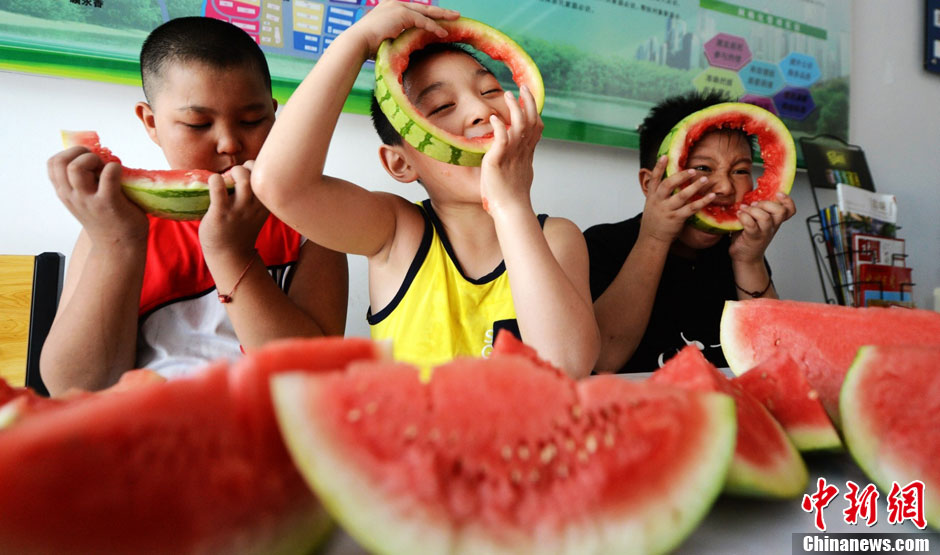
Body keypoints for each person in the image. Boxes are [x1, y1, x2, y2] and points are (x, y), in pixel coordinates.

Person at [251, 1, 599, 377]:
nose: (482, 112)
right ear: (401, 163)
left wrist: (511, 204)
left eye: (491, 90)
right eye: (442, 106)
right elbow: (279, 185)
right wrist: (356, 41)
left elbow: (564, 364)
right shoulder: (397, 233)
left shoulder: (558, 238)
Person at [41, 16, 349, 395]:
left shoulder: (313, 224)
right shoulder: (111, 225)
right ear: (151, 122)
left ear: (273, 113)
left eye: (252, 120)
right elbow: (75, 387)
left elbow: (311, 376)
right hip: (142, 436)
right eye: (198, 124)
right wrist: (117, 243)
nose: (229, 143)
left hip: (264, 437)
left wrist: (230, 253)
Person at [584, 91, 796, 373]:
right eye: (702, 168)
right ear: (650, 184)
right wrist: (654, 239)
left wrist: (750, 261)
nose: (725, 188)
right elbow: (604, 360)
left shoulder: (739, 254)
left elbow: (774, 364)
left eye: (741, 170)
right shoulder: (601, 246)